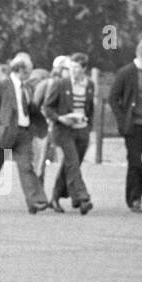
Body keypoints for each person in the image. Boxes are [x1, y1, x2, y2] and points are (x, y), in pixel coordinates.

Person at [0, 52, 49, 213]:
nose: (30, 73)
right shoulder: (2, 85)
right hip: (4, 134)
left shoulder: (27, 87)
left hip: (23, 133)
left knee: (27, 167)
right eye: (28, 70)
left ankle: (36, 201)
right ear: (20, 69)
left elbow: (30, 109)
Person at [108, 38, 142, 212]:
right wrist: (122, 120)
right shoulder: (126, 73)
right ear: (140, 56)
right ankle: (134, 199)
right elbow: (113, 98)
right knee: (135, 162)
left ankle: (135, 190)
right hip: (133, 125)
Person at [42, 52, 95, 214]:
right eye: (71, 67)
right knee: (72, 162)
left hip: (81, 130)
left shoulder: (89, 85)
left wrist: (87, 125)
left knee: (71, 165)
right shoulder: (60, 84)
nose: (73, 70)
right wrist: (60, 118)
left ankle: (55, 198)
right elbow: (47, 107)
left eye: (77, 67)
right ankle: (82, 198)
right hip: (63, 130)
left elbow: (90, 108)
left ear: (84, 68)